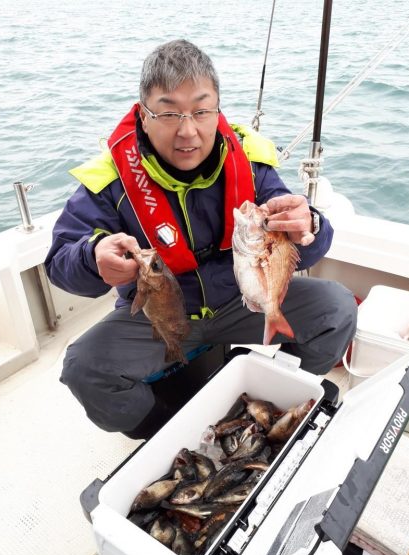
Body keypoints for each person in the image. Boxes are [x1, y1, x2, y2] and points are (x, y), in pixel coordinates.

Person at [45, 39, 357, 439]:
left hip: (242, 300)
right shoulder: (109, 180)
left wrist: (310, 225)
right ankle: (168, 435)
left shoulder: (249, 160)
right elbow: (59, 263)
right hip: (160, 316)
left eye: (201, 110)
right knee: (84, 369)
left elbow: (306, 236)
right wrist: (92, 258)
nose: (187, 130)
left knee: (335, 307)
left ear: (217, 111)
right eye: (169, 112)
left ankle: (279, 404)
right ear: (143, 115)